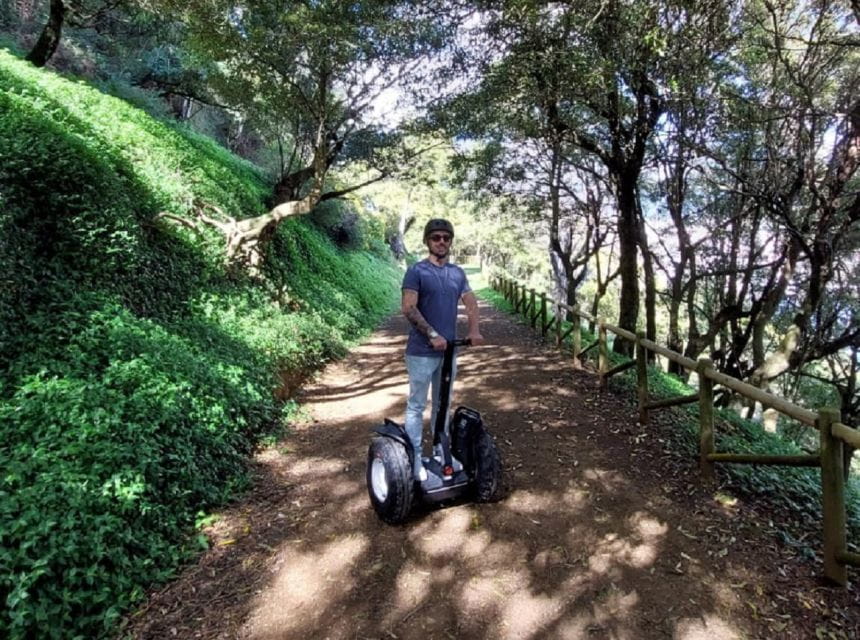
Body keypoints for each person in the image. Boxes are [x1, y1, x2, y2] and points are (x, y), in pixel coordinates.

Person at [401, 218, 484, 481]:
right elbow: (409, 308)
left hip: (449, 352)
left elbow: (471, 303)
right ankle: (414, 458)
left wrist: (473, 330)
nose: (441, 242)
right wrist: (433, 333)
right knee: (416, 405)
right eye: (436, 237)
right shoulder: (416, 271)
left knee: (443, 403)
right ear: (427, 241)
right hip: (421, 352)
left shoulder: (458, 273)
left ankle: (440, 450)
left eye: (446, 238)